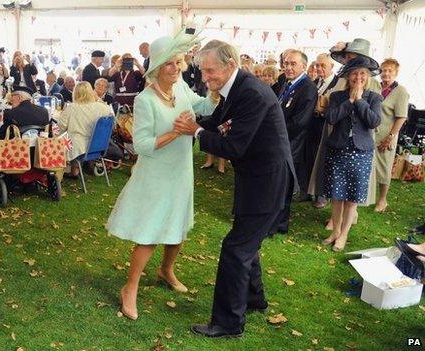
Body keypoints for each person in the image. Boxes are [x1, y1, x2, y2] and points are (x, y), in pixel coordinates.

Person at [172, 39, 295, 338]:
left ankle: (228, 323)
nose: (205, 78)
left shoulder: (251, 91)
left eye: (210, 71)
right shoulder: (236, 87)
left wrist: (196, 131)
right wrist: (200, 123)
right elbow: (219, 121)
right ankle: (255, 298)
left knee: (235, 249)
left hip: (267, 181)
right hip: (256, 179)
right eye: (202, 71)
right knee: (246, 243)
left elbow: (235, 146)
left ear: (230, 65)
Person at [106, 30, 219, 321]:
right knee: (150, 233)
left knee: (178, 224)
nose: (177, 68)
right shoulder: (145, 99)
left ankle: (166, 270)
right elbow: (141, 144)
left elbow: (203, 106)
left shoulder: (181, 87)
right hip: (156, 173)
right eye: (171, 63)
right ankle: (129, 288)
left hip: (181, 169)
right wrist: (177, 132)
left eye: (180, 62)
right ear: (157, 66)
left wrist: (215, 88)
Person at [322, 56, 382, 252]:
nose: (358, 77)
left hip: (361, 153)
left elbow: (374, 122)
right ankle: (336, 231)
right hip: (338, 150)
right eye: (355, 73)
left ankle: (344, 234)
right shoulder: (337, 96)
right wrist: (349, 100)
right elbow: (331, 118)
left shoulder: (374, 97)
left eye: (362, 74)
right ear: (348, 76)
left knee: (352, 198)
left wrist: (359, 101)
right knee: (336, 196)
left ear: (368, 76)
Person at [278, 50, 317, 205]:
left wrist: (276, 133)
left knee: (285, 179)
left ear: (304, 66)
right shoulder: (287, 82)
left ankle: (280, 215)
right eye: (286, 63)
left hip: (292, 141)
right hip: (282, 137)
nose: (288, 67)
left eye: (293, 64)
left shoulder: (308, 87)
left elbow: (300, 122)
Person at [373, 59, 409, 213]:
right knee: (370, 168)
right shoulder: (376, 87)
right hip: (371, 135)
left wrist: (390, 137)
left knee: (384, 168)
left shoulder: (400, 91)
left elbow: (401, 117)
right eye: (383, 70)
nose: (386, 73)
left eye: (389, 70)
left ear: (396, 73)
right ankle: (368, 197)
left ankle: (382, 200)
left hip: (386, 136)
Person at [57, 81, 117, 169]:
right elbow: (113, 120)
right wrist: (98, 99)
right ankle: (76, 168)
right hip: (98, 145)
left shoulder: (71, 108)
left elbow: (60, 128)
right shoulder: (103, 107)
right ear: (91, 92)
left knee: (60, 139)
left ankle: (73, 168)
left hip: (77, 147)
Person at [308, 53, 339, 209]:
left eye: (323, 66)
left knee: (325, 161)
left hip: (327, 127)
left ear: (332, 67)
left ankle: (323, 195)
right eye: (317, 65)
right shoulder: (314, 82)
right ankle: (310, 191)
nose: (319, 68)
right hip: (312, 127)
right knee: (311, 158)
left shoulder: (338, 83)